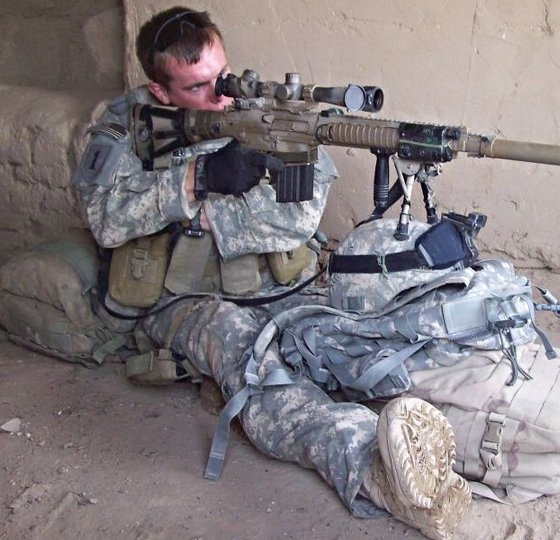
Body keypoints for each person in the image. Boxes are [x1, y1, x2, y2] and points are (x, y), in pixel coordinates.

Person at [71, 7, 471, 540]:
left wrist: (205, 215)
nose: (221, 96)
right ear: (161, 91)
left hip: (275, 283)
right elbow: (105, 218)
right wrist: (195, 179)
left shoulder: (259, 112)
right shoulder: (125, 125)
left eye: (222, 75)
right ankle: (373, 469)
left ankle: (455, 440)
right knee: (255, 367)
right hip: (184, 298)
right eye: (197, 87)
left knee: (350, 337)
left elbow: (294, 222)